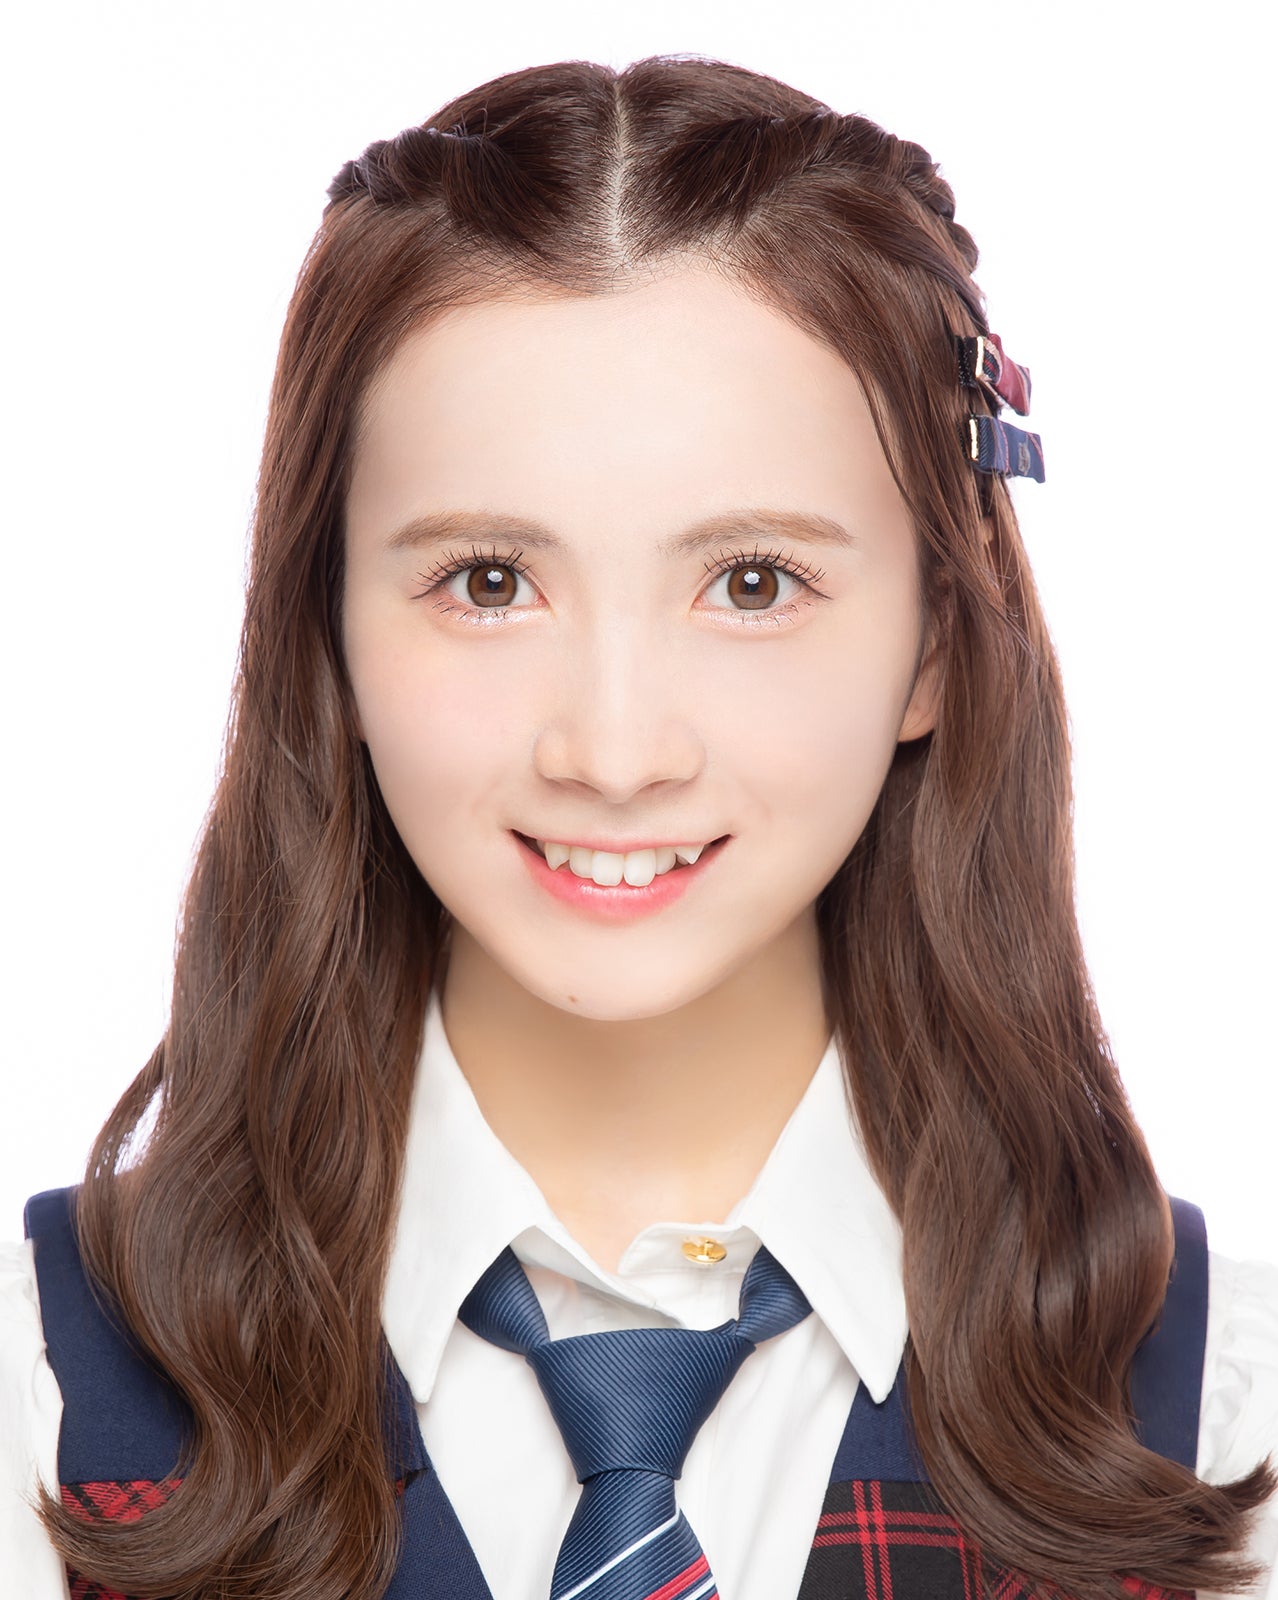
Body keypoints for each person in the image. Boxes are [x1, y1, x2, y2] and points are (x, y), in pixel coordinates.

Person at [2, 52, 1275, 1600]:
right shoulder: (39, 1401)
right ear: (324, 631)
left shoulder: (1220, 1417)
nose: (612, 753)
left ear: (936, 640)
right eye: (487, 582)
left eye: (751, 583)